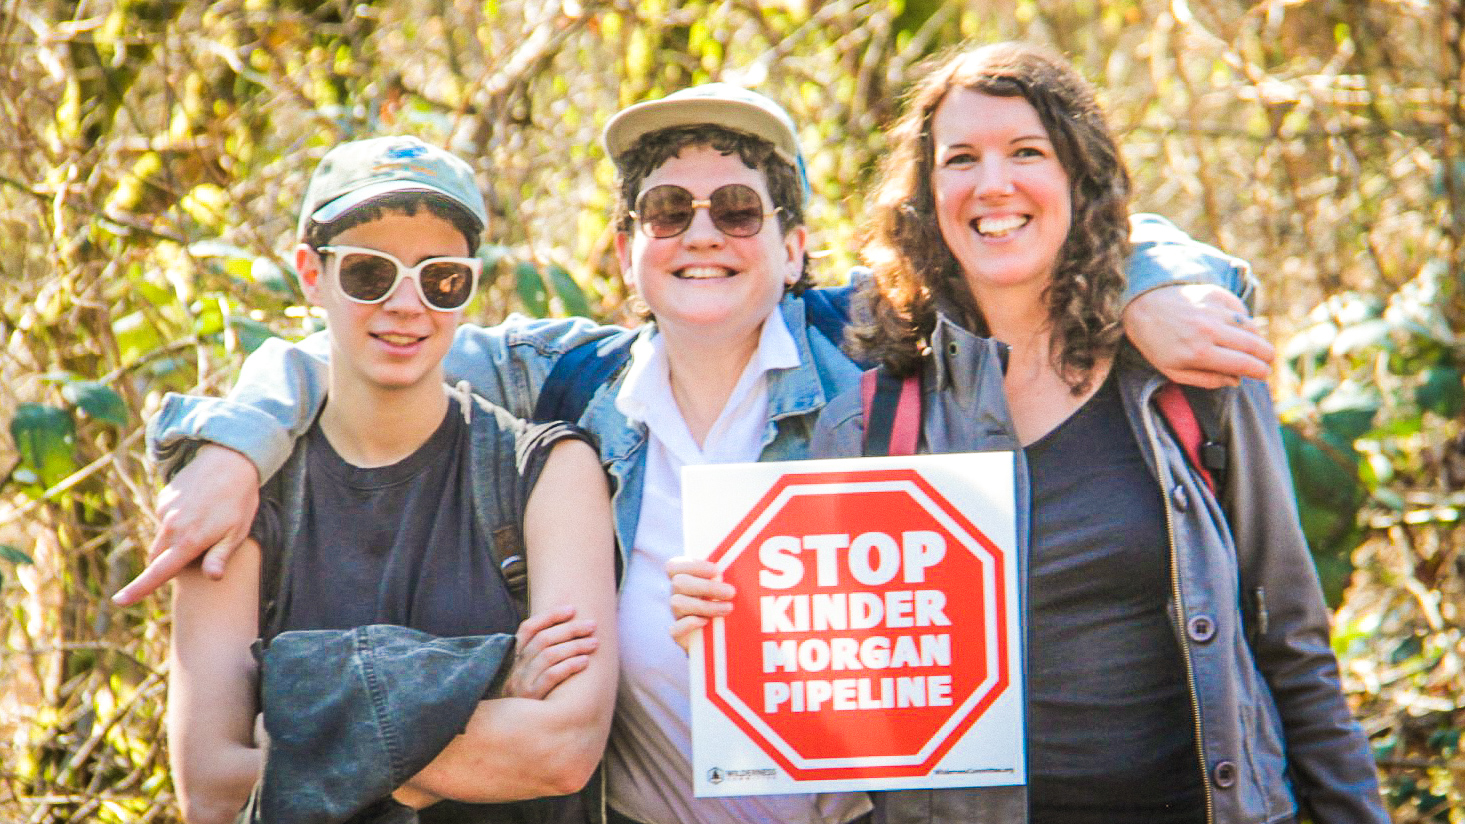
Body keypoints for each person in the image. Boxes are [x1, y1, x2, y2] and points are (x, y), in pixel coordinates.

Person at [133, 86, 1268, 824]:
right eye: (667, 211)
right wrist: (235, 444)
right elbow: (371, 327)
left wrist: (1148, 281)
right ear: (624, 247)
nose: (702, 235)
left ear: (794, 242)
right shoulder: (567, 383)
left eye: (736, 208)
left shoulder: (877, 349)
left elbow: (1022, 232)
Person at [674, 43, 1387, 824]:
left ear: (1077, 175)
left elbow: (1291, 639)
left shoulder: (1190, 371)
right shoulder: (874, 418)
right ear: (925, 192)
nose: (992, 184)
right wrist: (739, 631)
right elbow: (848, 695)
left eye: (1025, 151)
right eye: (959, 159)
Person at [165, 135, 618, 824]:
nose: (407, 305)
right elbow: (211, 787)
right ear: (311, 275)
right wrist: (491, 692)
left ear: (470, 286)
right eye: (369, 274)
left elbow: (562, 749)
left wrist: (305, 739)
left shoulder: (546, 473)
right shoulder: (239, 495)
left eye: (440, 278)